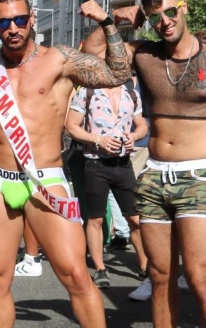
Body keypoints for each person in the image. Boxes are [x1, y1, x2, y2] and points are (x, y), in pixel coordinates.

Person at [0, 0, 129, 327]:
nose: (13, 28)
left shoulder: (58, 60)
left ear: (32, 19)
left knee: (75, 276)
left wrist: (107, 21)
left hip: (46, 181)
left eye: (20, 19)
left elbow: (117, 73)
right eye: (4, 22)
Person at [84, 0, 206, 328]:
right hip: (154, 175)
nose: (165, 22)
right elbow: (91, 53)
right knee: (159, 277)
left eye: (171, 12)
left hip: (197, 177)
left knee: (200, 279)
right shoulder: (145, 55)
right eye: (156, 17)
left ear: (183, 7)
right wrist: (112, 17)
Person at [64, 79, 149, 288]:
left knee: (136, 219)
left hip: (123, 165)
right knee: (96, 219)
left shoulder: (131, 92)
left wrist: (135, 136)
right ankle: (100, 268)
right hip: (95, 164)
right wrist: (97, 140)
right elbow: (70, 127)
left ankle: (144, 266)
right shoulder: (87, 91)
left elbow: (142, 125)